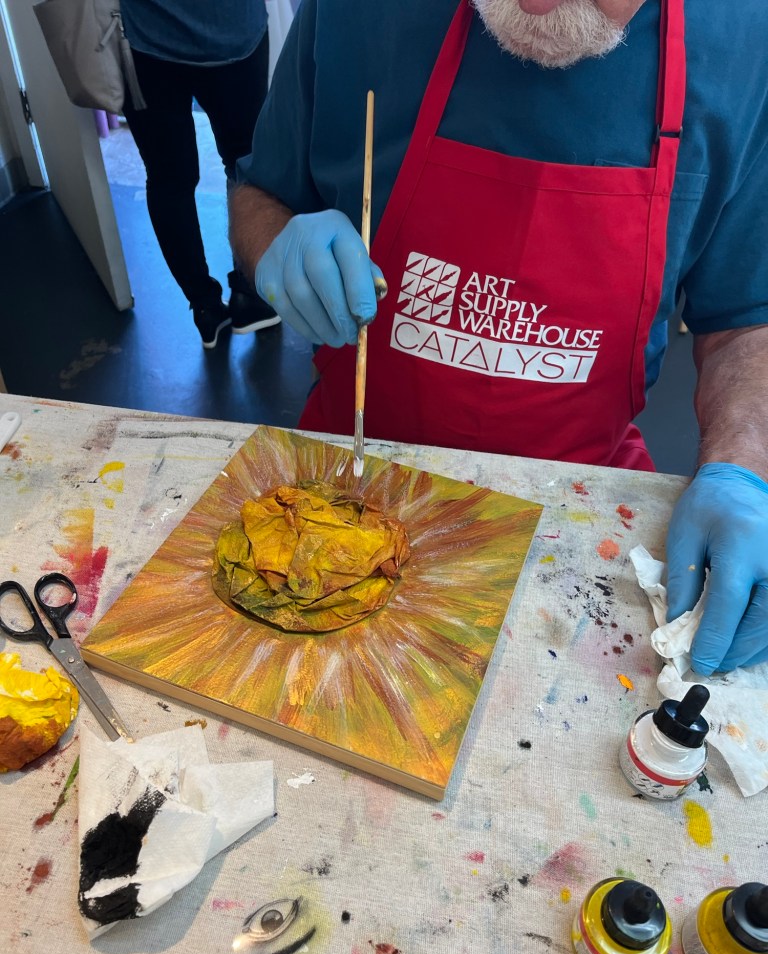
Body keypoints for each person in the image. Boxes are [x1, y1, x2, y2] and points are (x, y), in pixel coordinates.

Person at [229, 0, 768, 677]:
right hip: (350, 477)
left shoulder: (745, 37)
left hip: (578, 506)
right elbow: (258, 196)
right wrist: (277, 244)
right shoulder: (356, 11)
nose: (536, 2)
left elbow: (747, 316)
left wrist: (744, 466)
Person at [120, 0, 280, 349]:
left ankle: (204, 306)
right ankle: (250, 295)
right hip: (232, 31)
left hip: (145, 39)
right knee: (244, 166)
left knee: (168, 180)